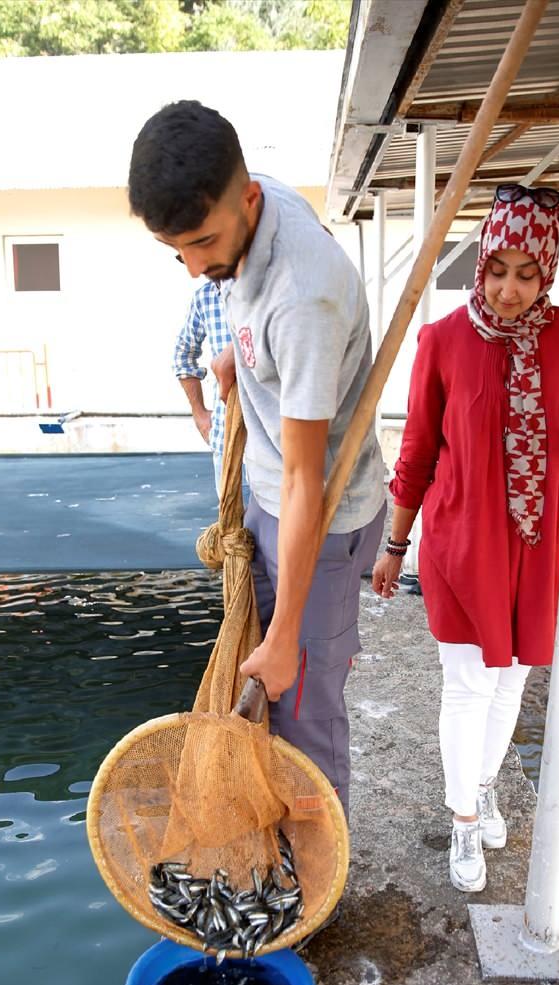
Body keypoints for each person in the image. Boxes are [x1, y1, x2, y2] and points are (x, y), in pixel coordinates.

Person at [372, 183, 559, 893]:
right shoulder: (444, 339)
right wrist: (394, 546)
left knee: (512, 680)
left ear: (547, 271)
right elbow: (418, 453)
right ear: (481, 263)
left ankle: (487, 785)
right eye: (497, 269)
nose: (509, 289)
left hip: (539, 546)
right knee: (468, 685)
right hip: (464, 545)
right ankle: (464, 820)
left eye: (527, 274)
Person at [129, 99, 386, 821]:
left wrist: (282, 642)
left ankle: (317, 873)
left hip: (320, 514)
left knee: (303, 701)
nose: (193, 268)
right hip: (274, 491)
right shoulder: (261, 198)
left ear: (246, 200)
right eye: (175, 250)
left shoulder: (303, 300)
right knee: (294, 676)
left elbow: (310, 482)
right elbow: (258, 315)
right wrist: (241, 361)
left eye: (203, 243)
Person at [172, 279, 232, 496]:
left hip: (277, 444)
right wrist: (199, 413)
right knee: (231, 527)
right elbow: (183, 356)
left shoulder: (271, 288)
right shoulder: (205, 297)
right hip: (226, 440)